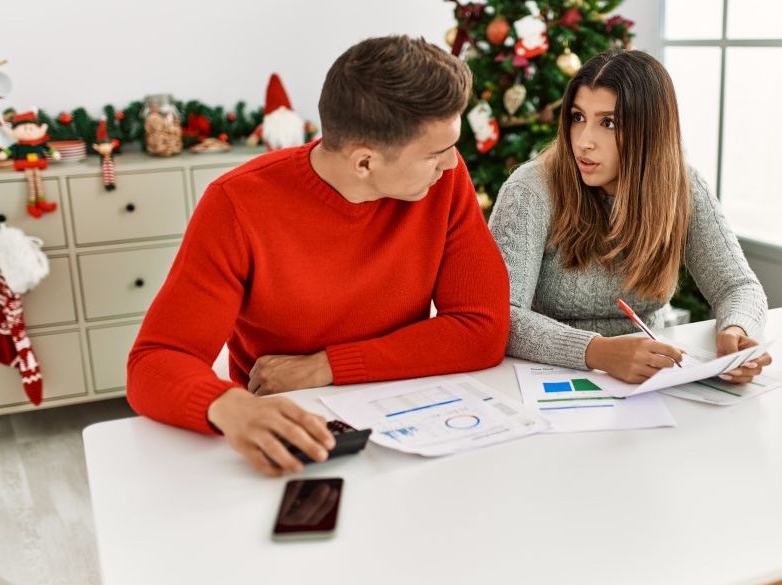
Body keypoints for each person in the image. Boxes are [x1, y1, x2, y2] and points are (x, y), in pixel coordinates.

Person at [128, 36, 510, 477]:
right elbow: (154, 361)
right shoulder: (237, 204)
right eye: (434, 153)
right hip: (293, 427)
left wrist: (328, 366)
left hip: (411, 417)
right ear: (364, 163)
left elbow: (482, 329)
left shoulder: (443, 179)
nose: (451, 163)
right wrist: (227, 405)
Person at [488, 49, 771, 385]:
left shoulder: (682, 186)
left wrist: (735, 332)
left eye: (607, 123)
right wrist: (598, 352)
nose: (584, 141)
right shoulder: (530, 188)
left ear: (650, 131)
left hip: (654, 380)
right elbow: (501, 315)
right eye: (578, 117)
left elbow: (737, 287)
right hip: (544, 378)